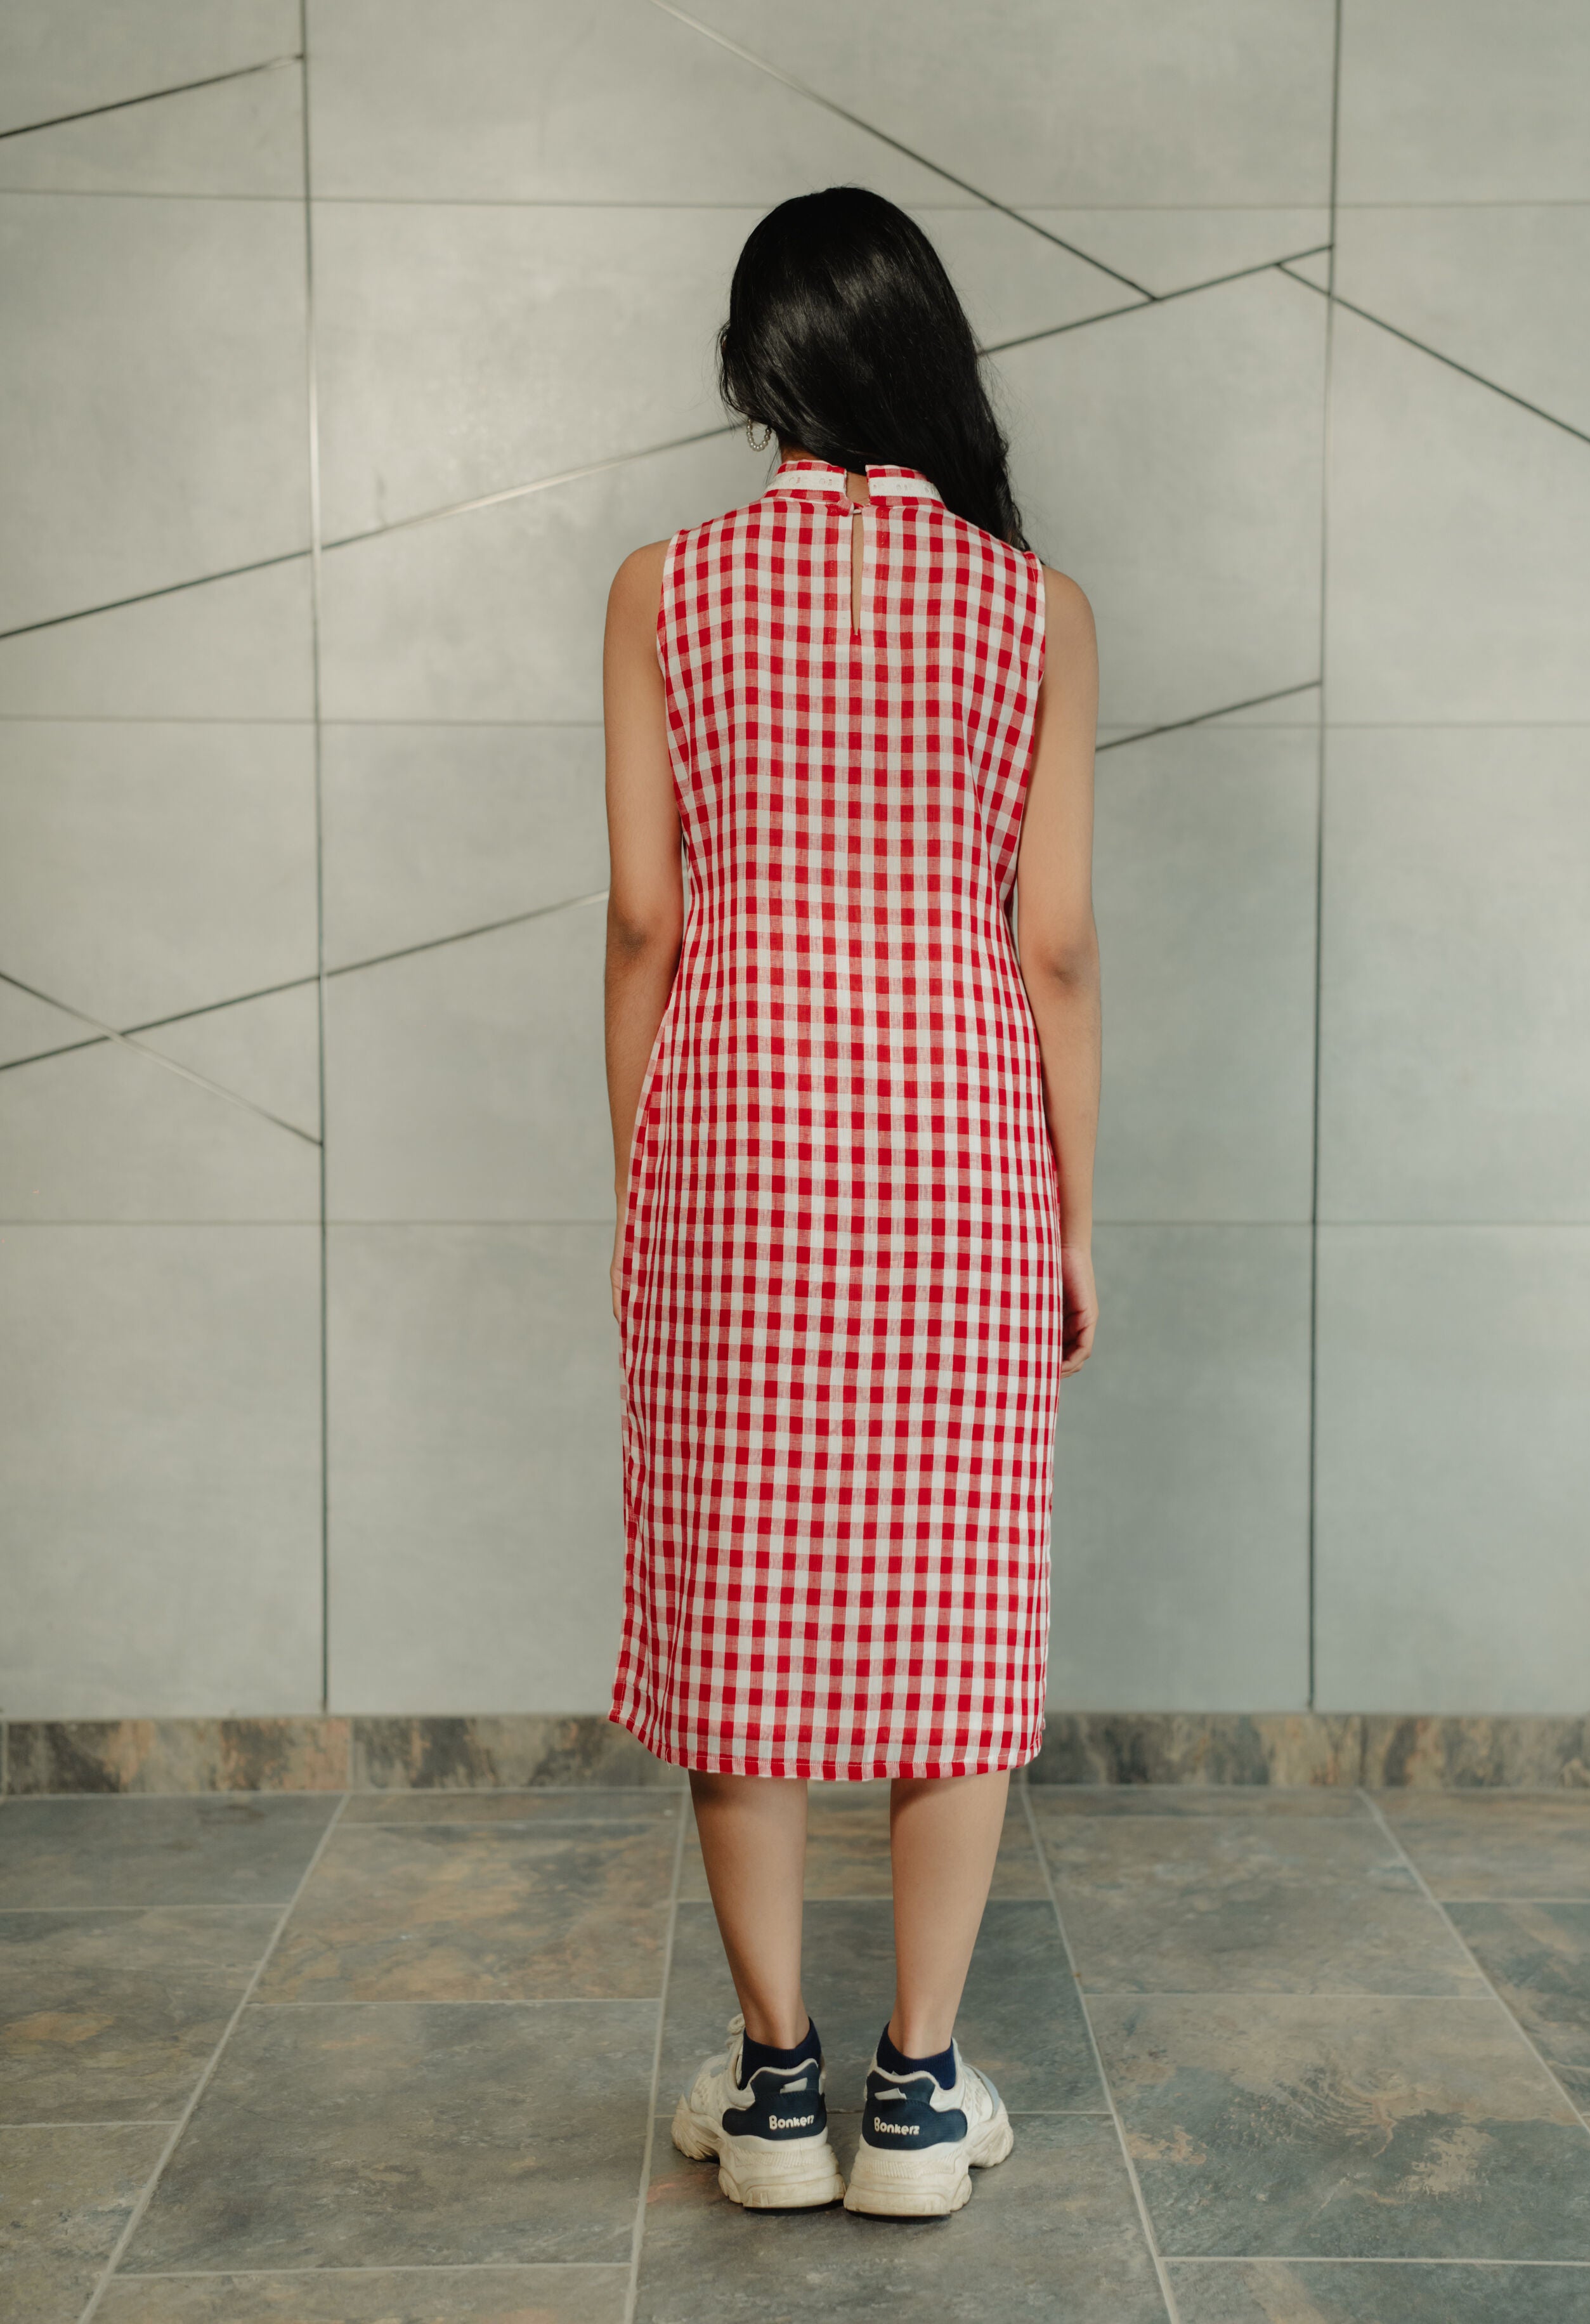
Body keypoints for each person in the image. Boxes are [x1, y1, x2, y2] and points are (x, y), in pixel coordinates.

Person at [601, 186, 1100, 2221]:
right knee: (951, 1589)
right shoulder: (1030, 604)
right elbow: (1051, 943)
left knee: (741, 1591)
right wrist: (1075, 1216)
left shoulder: (665, 587)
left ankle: (778, 2087)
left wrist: (634, 1157)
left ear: (759, 371)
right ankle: (915, 2095)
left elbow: (647, 912)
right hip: (967, 1133)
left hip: (736, 1131)